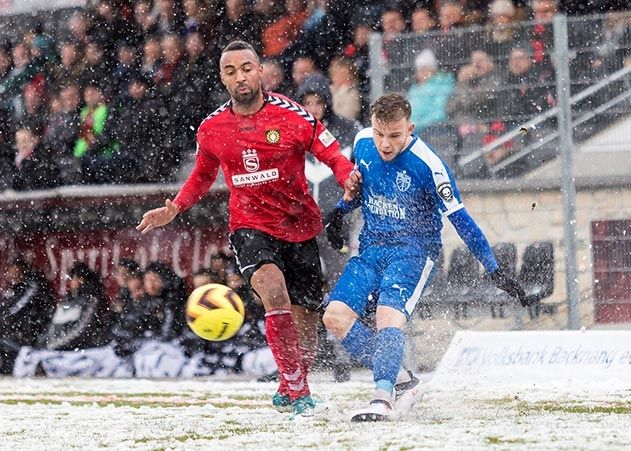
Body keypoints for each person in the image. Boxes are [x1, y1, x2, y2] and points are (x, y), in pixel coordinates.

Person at [136, 40, 356, 417]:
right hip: (250, 226)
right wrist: (175, 207)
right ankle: (299, 391)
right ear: (222, 78)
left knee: (305, 316)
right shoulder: (212, 128)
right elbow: (202, 177)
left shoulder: (295, 115)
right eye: (230, 71)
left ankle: (292, 381)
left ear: (260, 71)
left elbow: (332, 155)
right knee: (273, 290)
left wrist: (348, 176)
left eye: (246, 68)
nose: (240, 76)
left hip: (300, 226)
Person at [322, 93, 529, 422]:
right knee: (334, 317)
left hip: (414, 253)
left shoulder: (429, 164)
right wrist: (339, 212)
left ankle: (382, 398)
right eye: (379, 134)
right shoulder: (361, 144)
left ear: (410, 129)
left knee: (387, 319)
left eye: (394, 136)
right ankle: (405, 382)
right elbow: (361, 191)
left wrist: (494, 270)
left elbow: (463, 221)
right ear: (371, 127)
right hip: (372, 248)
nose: (385, 144)